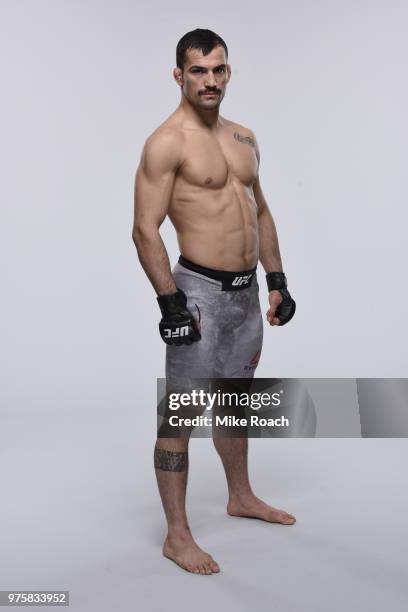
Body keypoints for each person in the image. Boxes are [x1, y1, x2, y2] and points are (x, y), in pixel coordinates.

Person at [132, 28, 296, 575]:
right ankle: (177, 536)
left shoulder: (244, 138)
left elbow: (261, 211)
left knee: (235, 402)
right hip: (196, 293)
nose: (210, 80)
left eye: (218, 69)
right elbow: (144, 229)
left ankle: (240, 496)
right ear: (178, 74)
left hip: (245, 295)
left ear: (229, 72)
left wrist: (277, 279)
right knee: (179, 415)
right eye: (198, 70)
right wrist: (170, 303)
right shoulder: (167, 141)